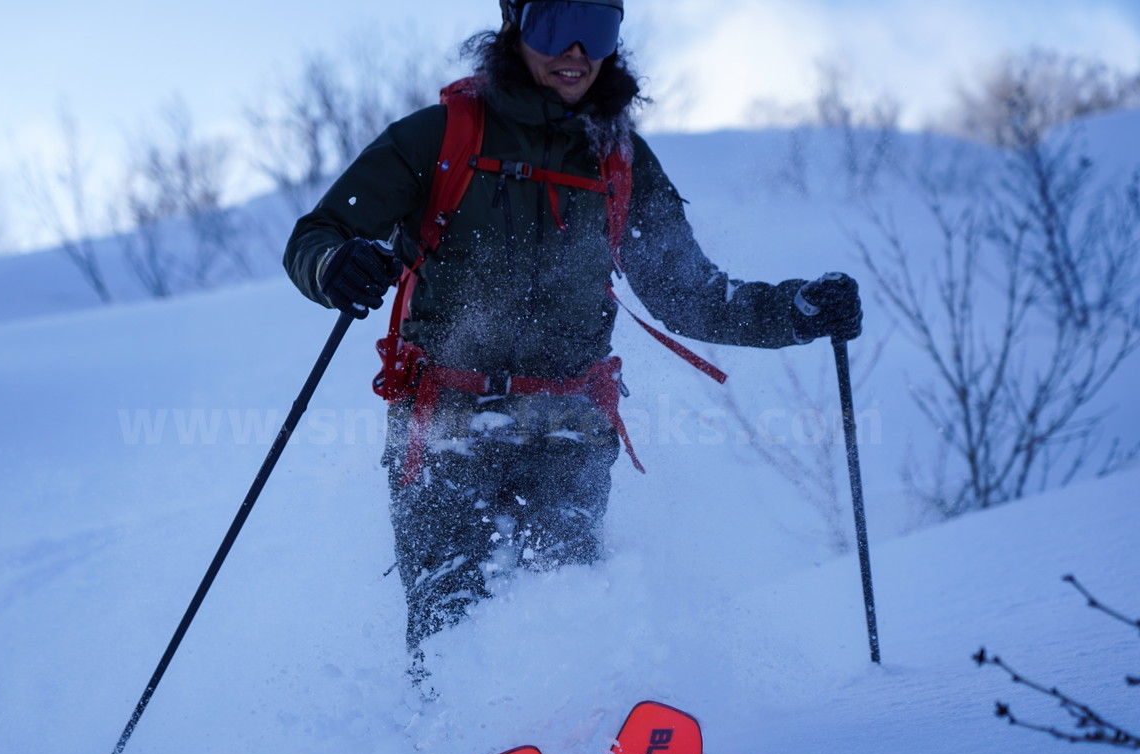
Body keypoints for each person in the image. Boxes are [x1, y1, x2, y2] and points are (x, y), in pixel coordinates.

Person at [285, 0, 862, 683]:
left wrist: (794, 311)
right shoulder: (443, 137)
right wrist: (335, 265)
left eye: (599, 27)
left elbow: (690, 292)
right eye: (556, 24)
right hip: (443, 423)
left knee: (569, 608)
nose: (577, 50)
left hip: (567, 425)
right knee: (451, 620)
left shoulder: (617, 157)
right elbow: (315, 236)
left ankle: (577, 744)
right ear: (514, 26)